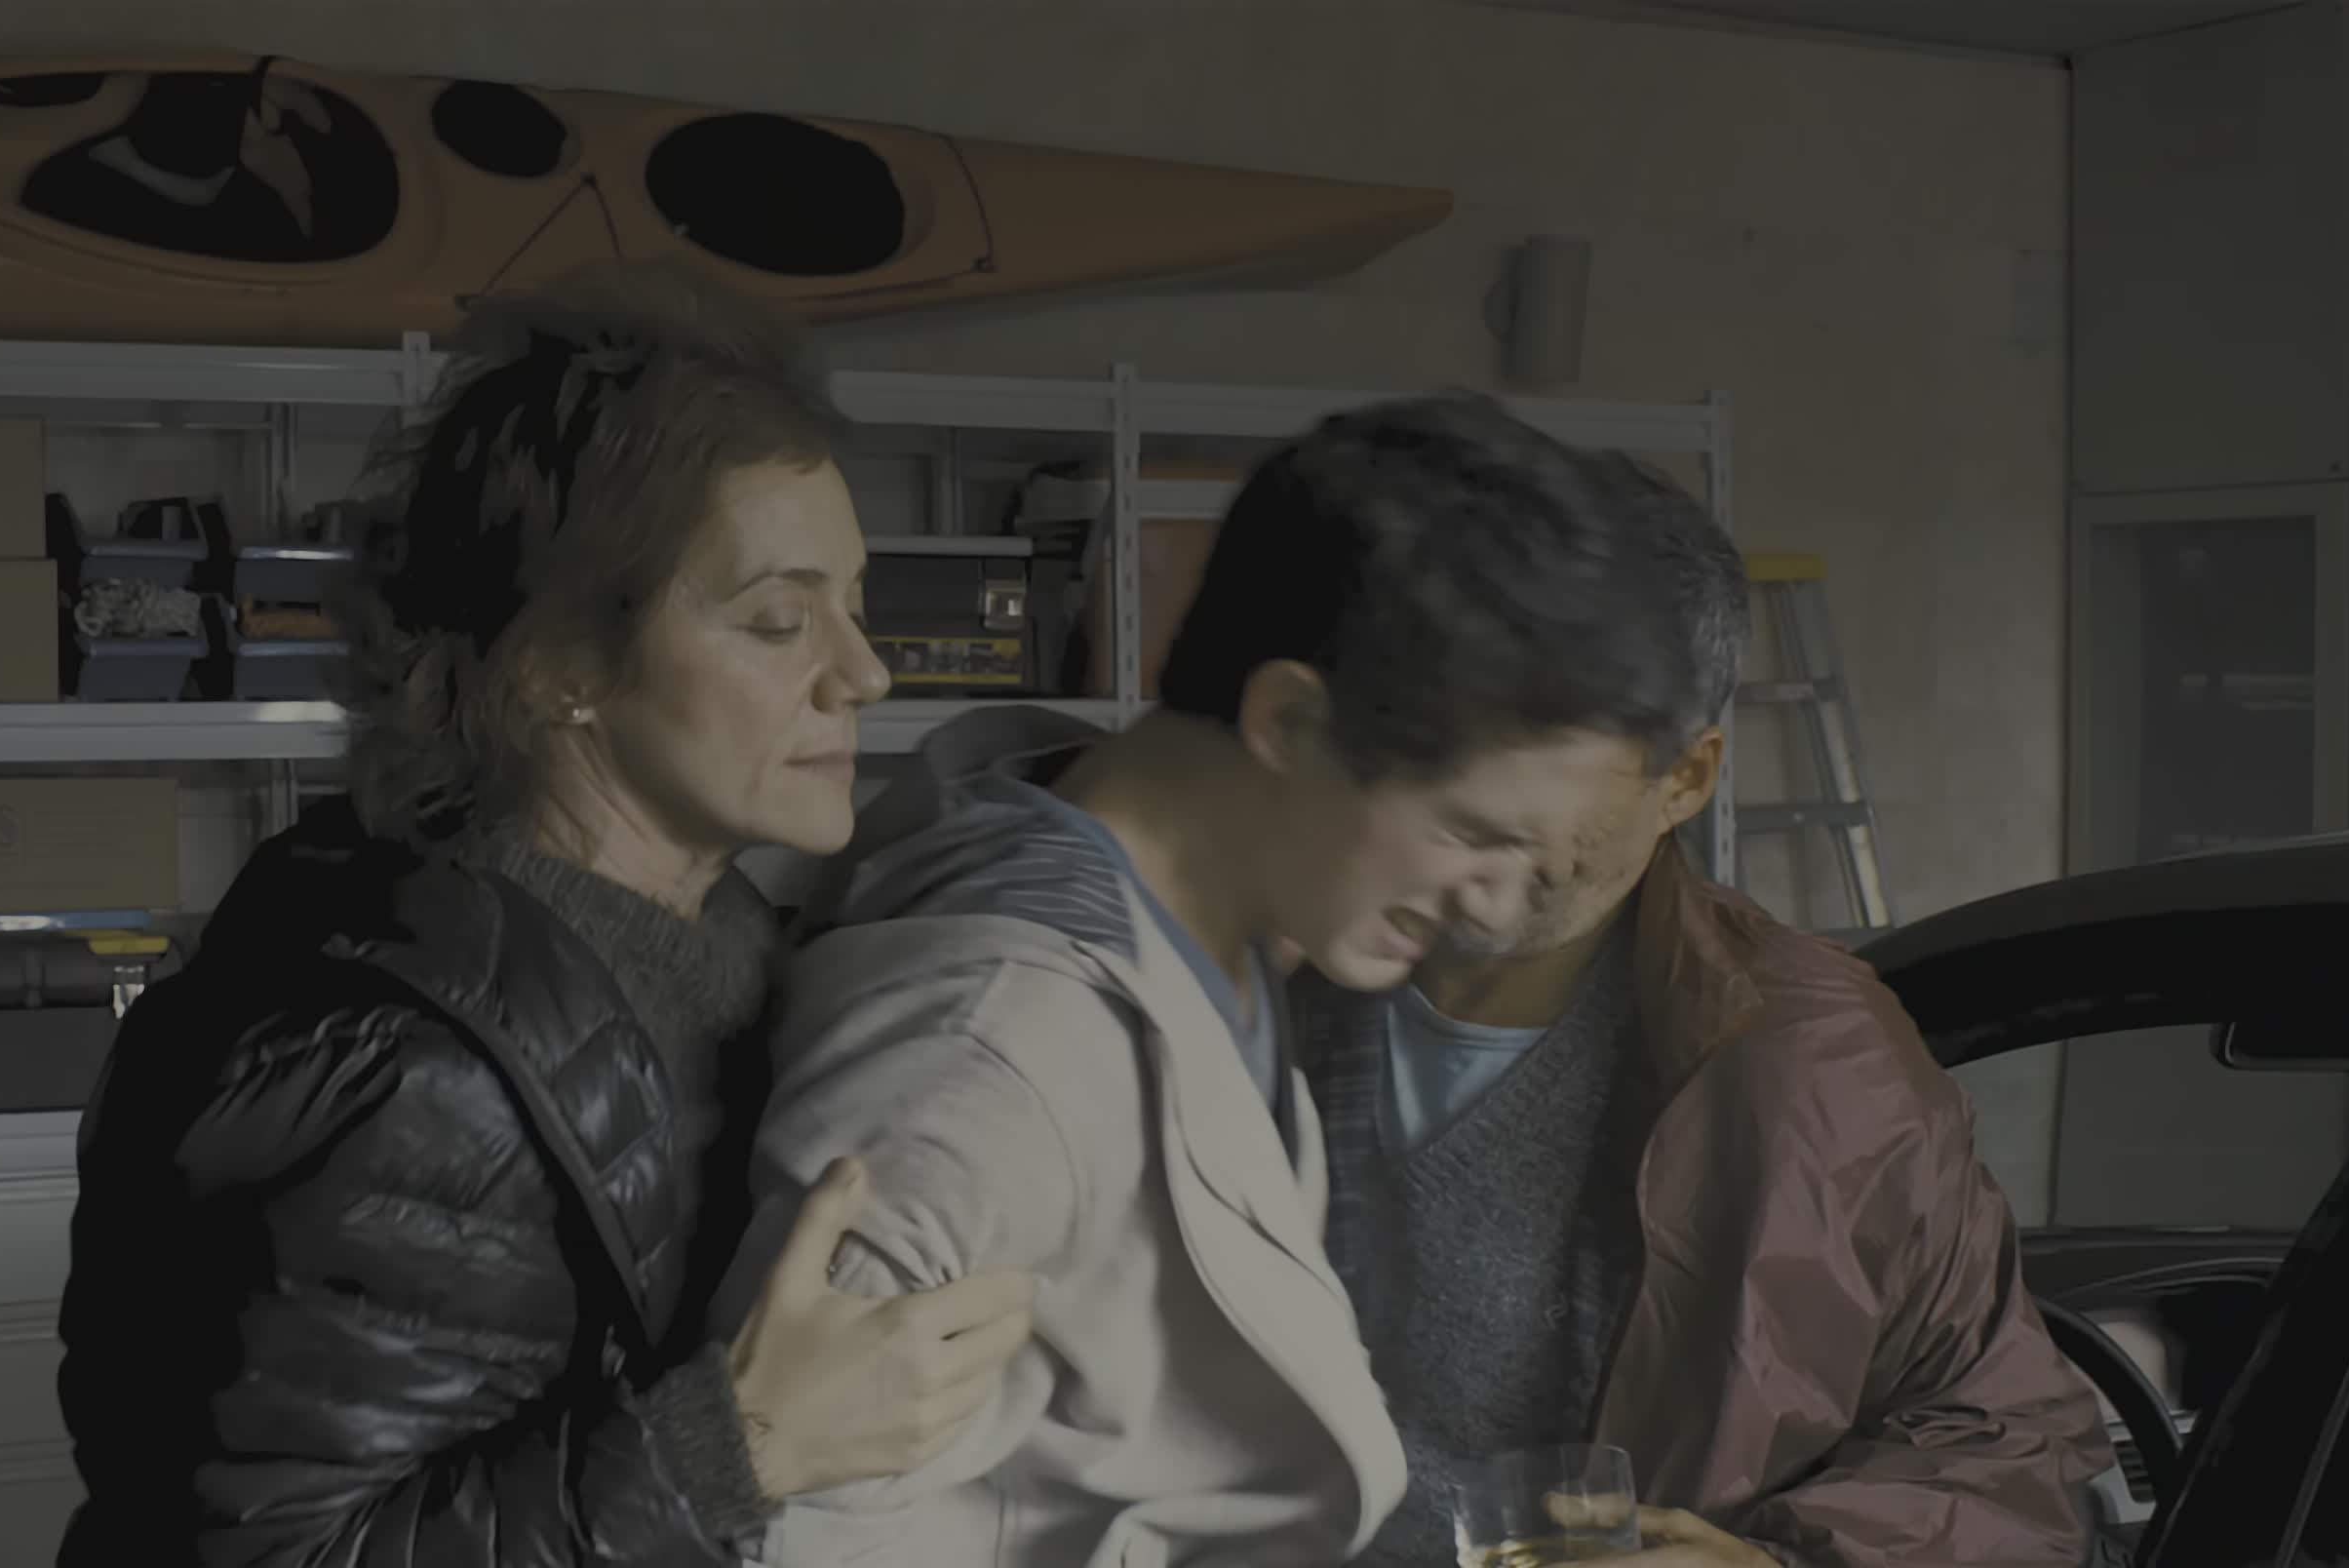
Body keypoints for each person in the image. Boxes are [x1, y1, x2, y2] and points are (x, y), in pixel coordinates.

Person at [54, 262, 1040, 1566]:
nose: (861, 673)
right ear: (560, 666)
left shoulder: (724, 941)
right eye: (777, 621)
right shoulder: (409, 1085)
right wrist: (741, 1446)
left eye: (854, 610)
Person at [724, 395, 1742, 1565]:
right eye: (1472, 833)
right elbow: (785, 1534)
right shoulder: (987, 1046)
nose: (1500, 907)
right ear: (1292, 722)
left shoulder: (1217, 932)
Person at [1292, 473, 2111, 1567]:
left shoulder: (1811, 1063)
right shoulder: (1238, 977)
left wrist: (1774, 1564)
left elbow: (2008, 1445)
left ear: (1684, 776)